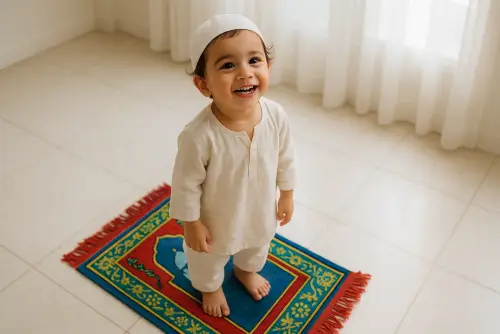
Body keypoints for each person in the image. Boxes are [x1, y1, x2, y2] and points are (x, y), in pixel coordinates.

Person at [170, 13, 297, 318]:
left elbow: (286, 156)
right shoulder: (199, 135)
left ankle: (245, 271)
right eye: (228, 65)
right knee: (207, 257)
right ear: (203, 84)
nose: (244, 73)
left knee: (257, 243)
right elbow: (185, 183)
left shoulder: (276, 115)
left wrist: (287, 193)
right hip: (216, 221)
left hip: (259, 208)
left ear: (268, 67)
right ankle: (210, 286)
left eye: (254, 60)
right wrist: (191, 222)